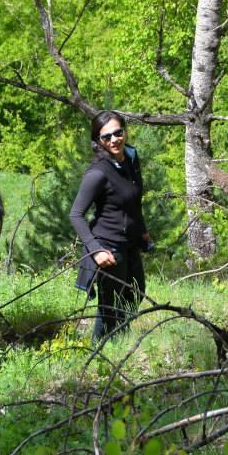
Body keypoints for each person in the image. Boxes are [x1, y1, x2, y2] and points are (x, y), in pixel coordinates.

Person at [69, 110, 154, 342]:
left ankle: (119, 344)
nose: (114, 140)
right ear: (98, 141)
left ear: (124, 131)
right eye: (106, 137)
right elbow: (75, 215)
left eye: (118, 133)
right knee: (108, 308)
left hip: (130, 242)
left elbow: (134, 200)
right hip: (108, 247)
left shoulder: (130, 159)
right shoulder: (97, 174)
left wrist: (142, 230)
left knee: (135, 294)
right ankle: (98, 356)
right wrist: (96, 250)